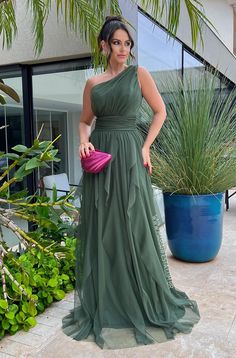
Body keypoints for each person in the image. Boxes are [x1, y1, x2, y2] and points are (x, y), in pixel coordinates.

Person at [62, 15, 200, 350]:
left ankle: (140, 295)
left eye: (127, 43)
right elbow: (84, 122)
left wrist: (145, 145)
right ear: (104, 45)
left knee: (133, 222)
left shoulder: (140, 75)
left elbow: (160, 112)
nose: (123, 49)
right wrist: (83, 140)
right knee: (104, 225)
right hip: (101, 159)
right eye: (117, 43)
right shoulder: (93, 84)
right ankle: (109, 297)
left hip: (130, 155)